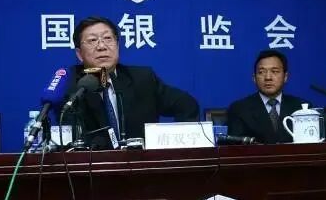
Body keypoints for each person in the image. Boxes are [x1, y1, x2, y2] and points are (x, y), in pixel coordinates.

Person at [58, 16, 199, 147]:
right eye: (92, 40)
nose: (101, 46)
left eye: (107, 38)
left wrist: (174, 145)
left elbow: (187, 104)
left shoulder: (142, 79)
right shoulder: (71, 88)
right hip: (95, 164)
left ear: (117, 46)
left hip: (142, 163)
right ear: (79, 54)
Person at [227, 50, 310, 144]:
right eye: (261, 72)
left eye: (274, 71)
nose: (268, 77)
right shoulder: (239, 109)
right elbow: (235, 148)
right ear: (254, 78)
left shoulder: (301, 108)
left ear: (285, 77)